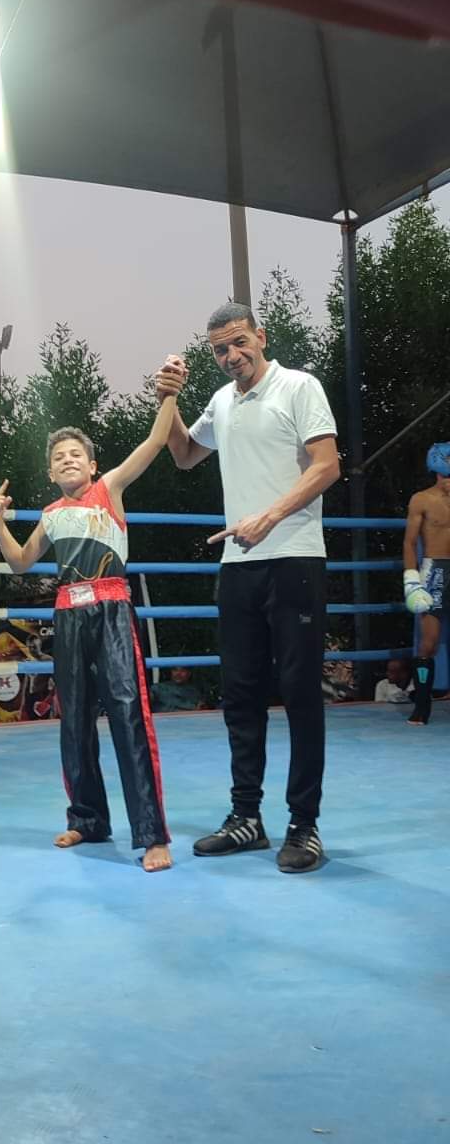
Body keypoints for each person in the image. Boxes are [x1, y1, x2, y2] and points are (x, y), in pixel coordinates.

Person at [156, 302, 340, 873]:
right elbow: (184, 455)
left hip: (295, 559)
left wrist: (269, 516)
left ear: (261, 336)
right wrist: (167, 398)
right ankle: (246, 817)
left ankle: (304, 824)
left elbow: (327, 465)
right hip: (238, 566)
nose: (231, 355)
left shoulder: (299, 386)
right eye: (220, 349)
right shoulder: (221, 401)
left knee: (300, 693)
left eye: (239, 342)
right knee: (239, 695)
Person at [0, 399, 179, 872]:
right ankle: (88, 819)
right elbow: (20, 563)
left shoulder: (109, 489)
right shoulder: (52, 514)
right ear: (50, 473)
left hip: (111, 611)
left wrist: (169, 394)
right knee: (73, 722)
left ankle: (152, 834)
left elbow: (156, 441)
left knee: (128, 716)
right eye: (59, 457)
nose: (67, 460)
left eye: (76, 454)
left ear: (92, 465)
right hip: (68, 616)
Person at [402, 442, 450, 724]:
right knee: (428, 643)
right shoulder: (421, 499)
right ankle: (421, 707)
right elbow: (409, 542)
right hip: (435, 570)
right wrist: (411, 579)